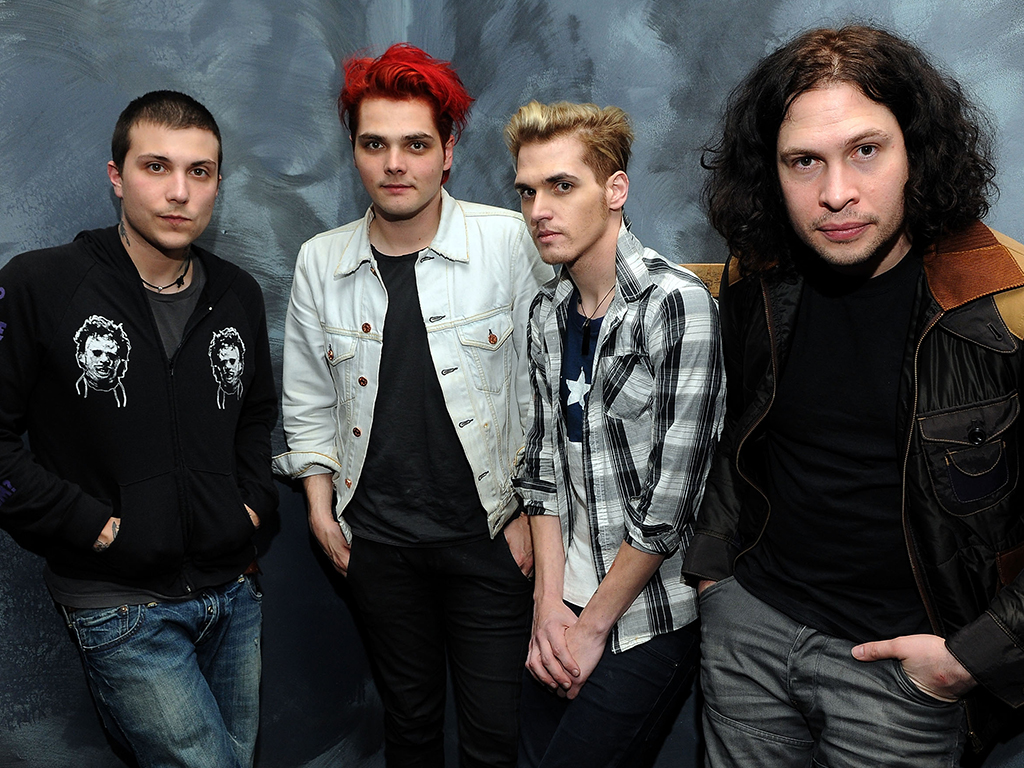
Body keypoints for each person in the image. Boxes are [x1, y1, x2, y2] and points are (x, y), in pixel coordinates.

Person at [683, 24, 1024, 766]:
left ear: (917, 152)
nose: (836, 193)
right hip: (751, 634)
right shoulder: (758, 280)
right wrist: (716, 583)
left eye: (865, 151)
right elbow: (739, 433)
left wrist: (972, 657)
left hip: (904, 675)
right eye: (804, 161)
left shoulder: (1005, 306)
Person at [273, 43, 551, 768]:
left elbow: (550, 388)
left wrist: (529, 510)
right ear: (356, 153)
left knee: (494, 740)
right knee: (411, 729)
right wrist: (316, 502)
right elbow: (306, 398)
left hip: (491, 540)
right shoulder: (320, 261)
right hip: (378, 546)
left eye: (416, 144)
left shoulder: (510, 242)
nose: (395, 164)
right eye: (375, 144)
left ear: (448, 152)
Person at [0, 90, 278, 767]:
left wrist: (249, 511)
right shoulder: (41, 284)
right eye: (157, 167)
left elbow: (255, 416)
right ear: (117, 176)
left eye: (200, 172)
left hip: (232, 596)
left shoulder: (237, 291)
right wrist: (95, 527)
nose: (179, 192)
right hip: (119, 606)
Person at [506, 100, 725, 767]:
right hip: (558, 605)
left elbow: (671, 504)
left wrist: (593, 624)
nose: (540, 208)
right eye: (527, 191)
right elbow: (540, 471)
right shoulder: (547, 311)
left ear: (616, 190)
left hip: (644, 617)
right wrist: (548, 611)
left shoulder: (675, 303)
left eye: (562, 186)